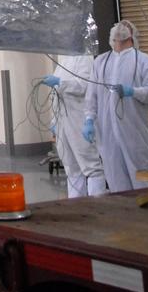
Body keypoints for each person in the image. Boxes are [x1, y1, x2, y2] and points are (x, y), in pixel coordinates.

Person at [82, 21, 148, 192]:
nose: (120, 26)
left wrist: (133, 92)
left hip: (135, 134)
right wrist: (89, 119)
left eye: (125, 25)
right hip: (107, 135)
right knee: (116, 184)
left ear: (132, 35)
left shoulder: (143, 60)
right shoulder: (101, 62)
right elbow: (91, 96)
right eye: (118, 24)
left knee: (142, 182)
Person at [40, 55, 108, 198]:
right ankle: (76, 206)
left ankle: (99, 205)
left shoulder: (85, 59)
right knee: (71, 168)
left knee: (91, 166)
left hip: (79, 120)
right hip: (62, 122)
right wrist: (54, 122)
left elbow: (85, 85)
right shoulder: (63, 61)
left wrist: (60, 82)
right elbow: (55, 94)